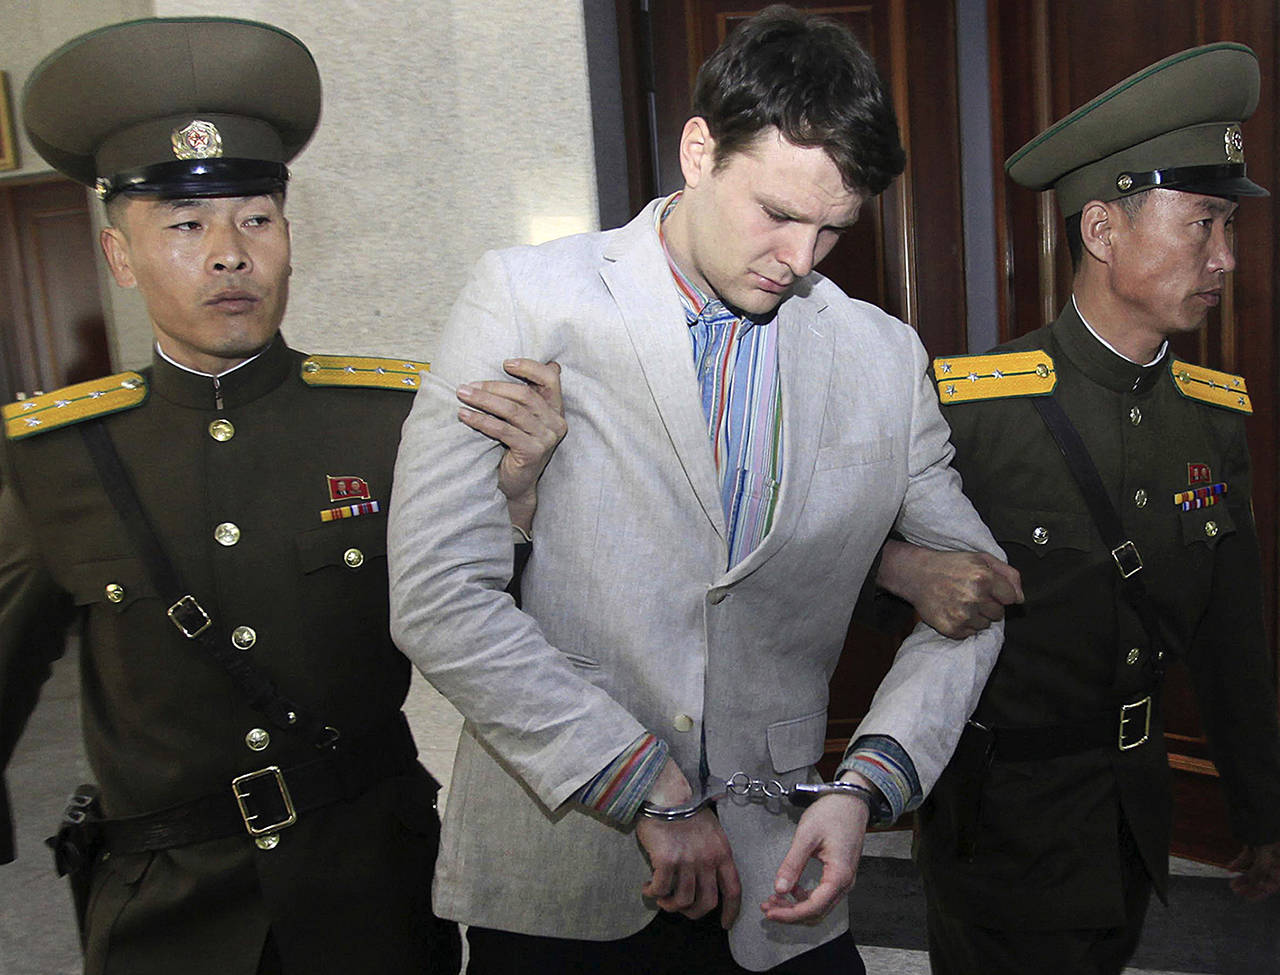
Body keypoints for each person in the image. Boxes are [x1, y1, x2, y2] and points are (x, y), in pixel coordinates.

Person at [387, 7, 1007, 972]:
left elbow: (977, 591)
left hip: (781, 880)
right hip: (566, 866)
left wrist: (867, 783)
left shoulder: (881, 357)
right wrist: (647, 784)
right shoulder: (528, 297)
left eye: (832, 231)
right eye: (779, 213)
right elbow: (437, 592)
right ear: (698, 151)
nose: (800, 262)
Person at [1, 17, 564, 975]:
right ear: (119, 257)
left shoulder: (390, 420)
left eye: (256, 218)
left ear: (289, 239)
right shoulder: (54, 458)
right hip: (165, 920)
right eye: (185, 225)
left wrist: (516, 506)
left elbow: (489, 629)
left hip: (369, 894)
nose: (230, 253)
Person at [903, 43, 1280, 975]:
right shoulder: (971, 409)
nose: (1224, 258)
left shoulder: (1213, 416)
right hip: (1002, 833)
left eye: (1228, 228)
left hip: (1131, 820)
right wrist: (906, 574)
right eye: (1202, 225)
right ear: (1105, 231)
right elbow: (856, 585)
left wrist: (1261, 812)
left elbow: (1235, 640)